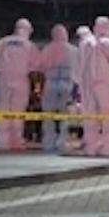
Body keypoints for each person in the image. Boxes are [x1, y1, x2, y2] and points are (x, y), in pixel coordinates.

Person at [0, 18, 40, 151]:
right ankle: (16, 141)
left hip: (3, 80)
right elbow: (35, 67)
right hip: (21, 81)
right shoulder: (29, 45)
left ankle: (3, 142)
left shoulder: (2, 42)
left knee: (3, 111)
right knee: (18, 112)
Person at [82, 16, 109, 156]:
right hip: (106, 85)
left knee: (90, 117)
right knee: (108, 117)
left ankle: (90, 147)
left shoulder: (85, 43)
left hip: (87, 86)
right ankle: (108, 148)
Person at [40, 24, 77, 152]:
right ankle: (62, 141)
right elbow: (78, 68)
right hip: (67, 84)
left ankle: (48, 142)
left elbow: (40, 66)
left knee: (48, 114)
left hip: (50, 83)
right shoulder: (73, 50)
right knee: (65, 114)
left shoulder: (47, 49)